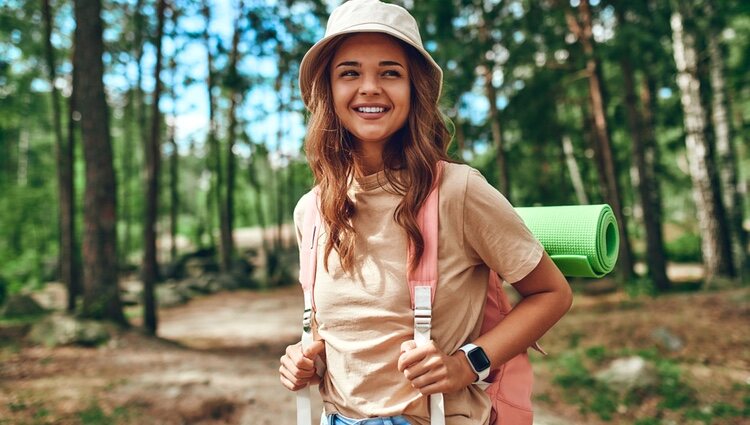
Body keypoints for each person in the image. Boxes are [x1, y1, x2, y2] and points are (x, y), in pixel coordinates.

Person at [279, 1, 573, 424]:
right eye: (349, 72)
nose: (369, 88)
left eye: (390, 72)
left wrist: (467, 363)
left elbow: (551, 293)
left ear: (414, 89)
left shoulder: (458, 191)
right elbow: (348, 333)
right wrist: (307, 359)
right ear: (327, 91)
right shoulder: (312, 210)